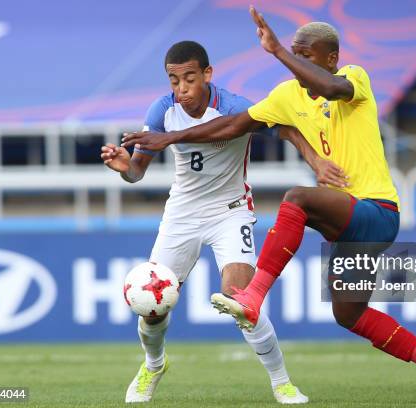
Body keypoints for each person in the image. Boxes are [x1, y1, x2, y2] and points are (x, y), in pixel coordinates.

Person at [122, 8, 416, 404]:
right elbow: (232, 126)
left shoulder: (354, 78)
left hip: (376, 211)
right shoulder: (287, 96)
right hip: (346, 223)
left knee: (297, 199)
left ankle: (253, 298)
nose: (300, 67)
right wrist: (169, 139)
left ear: (331, 59)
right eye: (296, 56)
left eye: (308, 58)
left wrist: (277, 52)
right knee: (350, 313)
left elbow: (333, 89)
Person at [101, 40, 331, 404]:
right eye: (174, 81)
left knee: (241, 301)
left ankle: (281, 382)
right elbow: (137, 172)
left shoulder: (236, 107)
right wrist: (124, 167)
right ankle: (153, 364)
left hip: (230, 209)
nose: (182, 89)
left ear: (207, 74)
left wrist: (317, 163)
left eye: (189, 78)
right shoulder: (163, 110)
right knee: (153, 303)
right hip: (182, 214)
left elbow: (284, 129)